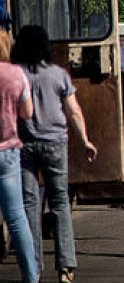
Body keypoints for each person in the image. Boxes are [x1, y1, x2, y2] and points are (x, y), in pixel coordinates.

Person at [14, 26, 99, 281]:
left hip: (24, 145)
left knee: (29, 205)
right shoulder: (58, 74)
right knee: (60, 203)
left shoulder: (15, 75)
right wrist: (85, 140)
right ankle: (66, 266)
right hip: (55, 144)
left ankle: (34, 268)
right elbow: (73, 110)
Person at [0, 31, 37, 283]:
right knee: (16, 216)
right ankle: (31, 276)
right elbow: (27, 112)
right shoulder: (16, 74)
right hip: (8, 150)